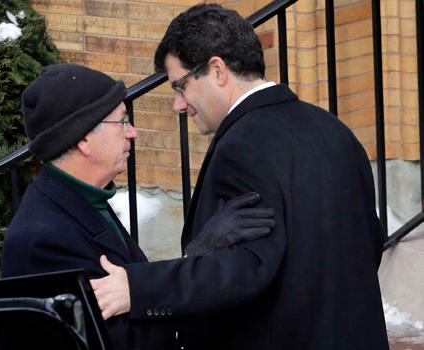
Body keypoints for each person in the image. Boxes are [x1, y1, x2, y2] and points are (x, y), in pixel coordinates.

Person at [89, 4, 390, 349]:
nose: (179, 105)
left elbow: (245, 268)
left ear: (216, 70)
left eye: (180, 86)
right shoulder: (334, 129)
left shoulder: (242, 146)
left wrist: (139, 288)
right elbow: (369, 240)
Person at [1, 63, 276, 350]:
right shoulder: (43, 239)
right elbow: (119, 341)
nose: (132, 132)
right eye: (122, 121)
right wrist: (198, 257)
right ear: (83, 139)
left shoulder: (84, 200)